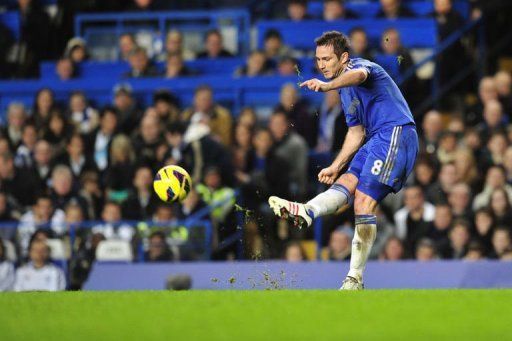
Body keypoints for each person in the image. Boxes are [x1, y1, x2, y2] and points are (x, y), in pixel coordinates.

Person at [268, 31, 418, 289]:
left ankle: (354, 278)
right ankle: (308, 210)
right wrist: (336, 165)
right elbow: (356, 132)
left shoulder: (361, 67)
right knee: (346, 181)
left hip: (396, 133)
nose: (321, 65)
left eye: (327, 59)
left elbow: (359, 77)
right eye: (318, 60)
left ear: (344, 57)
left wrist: (326, 86)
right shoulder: (345, 93)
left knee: (363, 200)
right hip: (374, 139)